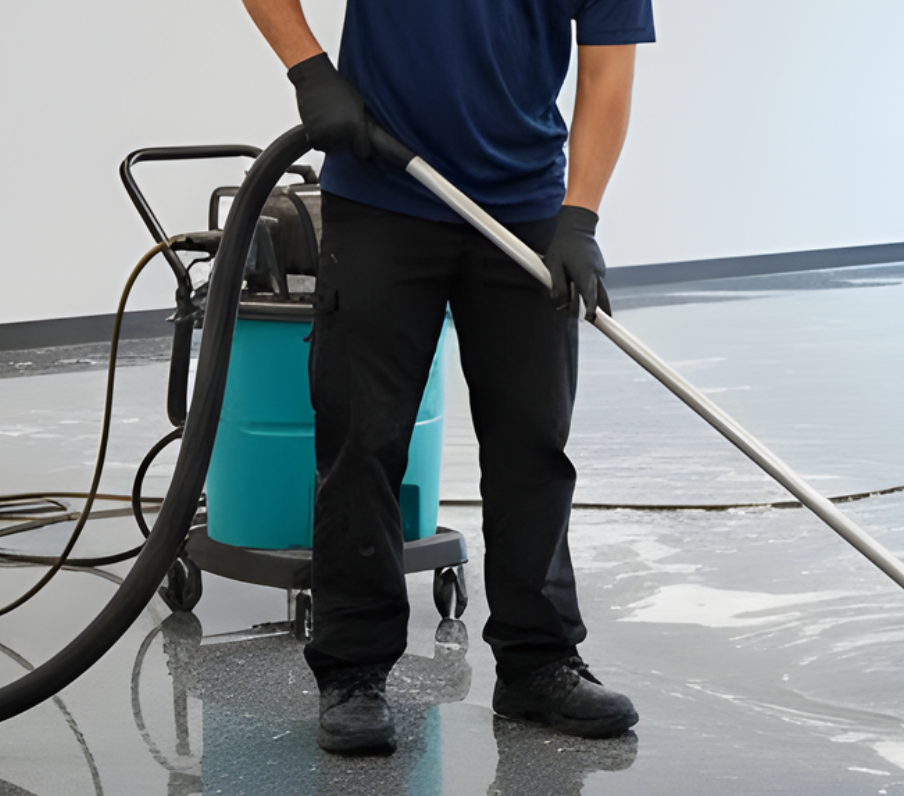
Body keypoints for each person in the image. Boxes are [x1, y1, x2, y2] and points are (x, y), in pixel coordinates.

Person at [240, 0, 654, 753]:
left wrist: (580, 218)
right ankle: (353, 671)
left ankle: (538, 662)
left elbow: (606, 70)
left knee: (532, 442)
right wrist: (310, 71)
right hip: (381, 196)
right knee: (362, 435)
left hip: (524, 208)